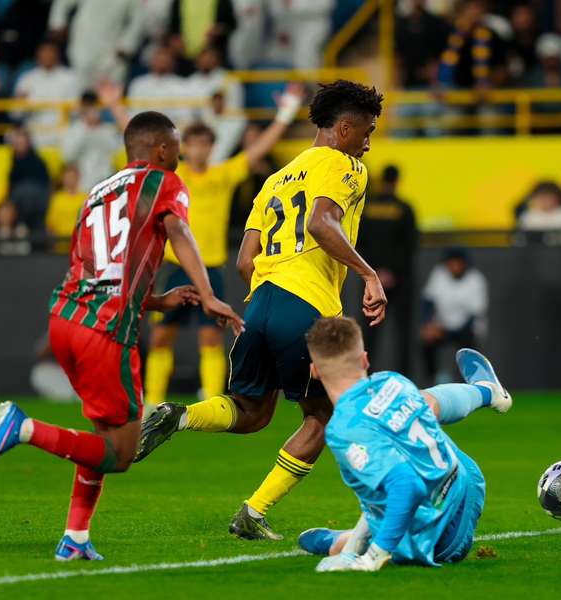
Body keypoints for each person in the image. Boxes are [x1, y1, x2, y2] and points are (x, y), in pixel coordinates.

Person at [0, 110, 244, 561]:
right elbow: (178, 230)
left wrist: (158, 301)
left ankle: (75, 537)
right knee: (121, 452)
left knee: (103, 435)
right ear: (161, 149)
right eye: (175, 146)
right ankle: (24, 428)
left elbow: (100, 268)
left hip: (66, 318)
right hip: (105, 332)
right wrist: (208, 293)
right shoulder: (164, 181)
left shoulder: (96, 192)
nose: (177, 155)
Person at [137, 80, 387, 541]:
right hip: (308, 305)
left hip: (262, 302)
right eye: (367, 131)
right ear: (345, 128)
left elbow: (244, 260)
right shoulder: (344, 165)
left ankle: (181, 416)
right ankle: (256, 511)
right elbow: (320, 221)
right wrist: (369, 275)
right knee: (325, 415)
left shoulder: (276, 178)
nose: (369, 143)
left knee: (253, 411)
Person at [296, 317, 510, 571]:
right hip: (468, 483)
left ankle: (339, 541)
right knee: (421, 404)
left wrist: (373, 556)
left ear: (315, 371)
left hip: (441, 539)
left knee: (383, 495)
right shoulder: (392, 381)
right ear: (364, 360)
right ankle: (486, 391)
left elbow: (406, 484)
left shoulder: (343, 429)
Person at [142, 84, 303, 413]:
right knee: (161, 337)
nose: (199, 150)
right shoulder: (174, 175)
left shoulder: (222, 175)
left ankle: (210, 402)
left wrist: (285, 114)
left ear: (212, 148)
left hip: (211, 267)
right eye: (193, 144)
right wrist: (116, 105)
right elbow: (137, 144)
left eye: (205, 144)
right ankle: (152, 402)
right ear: (183, 148)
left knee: (210, 340)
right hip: (174, 267)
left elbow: (258, 152)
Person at [355, 165, 417, 372]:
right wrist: (392, 272)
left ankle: (366, 377)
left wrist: (375, 273)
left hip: (371, 279)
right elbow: (410, 245)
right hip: (400, 281)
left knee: (370, 333)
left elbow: (358, 243)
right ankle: (404, 380)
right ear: (397, 180)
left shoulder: (368, 208)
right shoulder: (404, 208)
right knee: (403, 335)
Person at [420, 248, 488, 385]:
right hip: (442, 327)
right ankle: (433, 381)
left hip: (467, 330)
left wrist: (446, 331)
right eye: (451, 263)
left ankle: (468, 383)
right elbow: (428, 301)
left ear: (465, 264)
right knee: (426, 341)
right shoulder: (439, 274)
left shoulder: (476, 279)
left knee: (468, 350)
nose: (454, 267)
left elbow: (473, 317)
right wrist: (427, 324)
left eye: (458, 263)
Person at [61, 84, 130, 193]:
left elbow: (121, 148)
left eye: (93, 105)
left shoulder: (107, 129)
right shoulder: (74, 130)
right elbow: (67, 156)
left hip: (108, 182)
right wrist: (86, 129)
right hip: (83, 184)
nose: (90, 109)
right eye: (87, 105)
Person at [14, 41, 78, 147]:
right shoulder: (27, 79)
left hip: (63, 135)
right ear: (37, 55)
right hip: (34, 136)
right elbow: (15, 114)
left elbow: (76, 111)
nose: (47, 56)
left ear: (57, 54)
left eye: (50, 52)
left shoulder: (70, 78)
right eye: (44, 52)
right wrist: (21, 103)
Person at [7, 126, 51, 234]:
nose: (19, 145)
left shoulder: (38, 163)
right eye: (17, 143)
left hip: (37, 210)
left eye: (22, 142)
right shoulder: (14, 165)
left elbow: (45, 187)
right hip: (20, 211)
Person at [45, 164, 87, 241]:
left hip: (79, 242)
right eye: (68, 177)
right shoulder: (57, 198)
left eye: (72, 177)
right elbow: (50, 224)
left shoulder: (85, 198)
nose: (70, 180)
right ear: (63, 179)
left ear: (78, 178)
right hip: (60, 243)